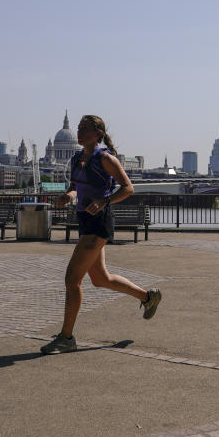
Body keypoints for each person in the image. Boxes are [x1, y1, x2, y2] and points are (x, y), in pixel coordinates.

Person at [40, 115, 161, 354]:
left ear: (98, 134)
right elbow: (76, 188)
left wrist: (104, 201)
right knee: (100, 279)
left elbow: (128, 188)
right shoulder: (76, 159)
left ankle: (66, 337)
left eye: (85, 129)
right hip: (85, 220)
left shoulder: (105, 158)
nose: (80, 132)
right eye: (79, 128)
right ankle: (148, 297)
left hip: (99, 223)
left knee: (72, 279)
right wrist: (68, 197)